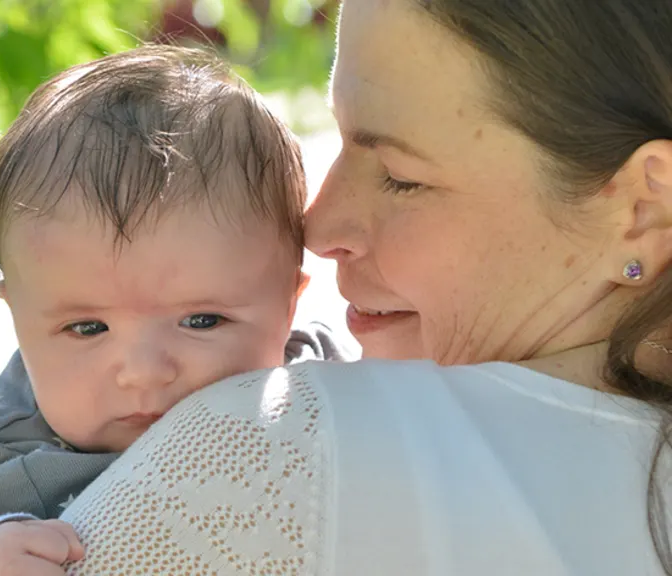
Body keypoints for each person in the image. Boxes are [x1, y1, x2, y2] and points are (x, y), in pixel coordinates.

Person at [57, 0, 672, 574]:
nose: (316, 227)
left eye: (401, 178)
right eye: (340, 140)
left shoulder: (265, 455)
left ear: (644, 209)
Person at [0, 45, 350, 576]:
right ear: (15, 312)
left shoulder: (327, 378)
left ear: (290, 304)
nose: (144, 372)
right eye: (87, 328)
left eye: (202, 321)